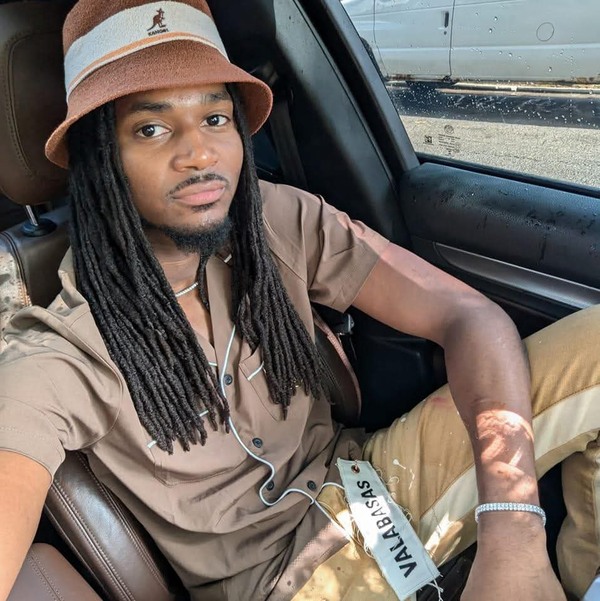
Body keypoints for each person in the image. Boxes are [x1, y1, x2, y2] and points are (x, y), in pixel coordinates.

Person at [1, 1, 599, 600]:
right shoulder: (62, 355)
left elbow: (466, 315)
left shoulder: (275, 221)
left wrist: (515, 535)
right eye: (151, 129)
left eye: (215, 117)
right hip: (286, 585)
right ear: (99, 157)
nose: (200, 154)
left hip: (372, 480)